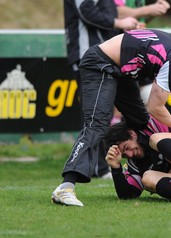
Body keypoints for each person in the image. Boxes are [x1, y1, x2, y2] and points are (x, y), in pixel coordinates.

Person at [51, 29, 171, 206]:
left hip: (120, 72)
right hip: (100, 65)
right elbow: (154, 108)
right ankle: (65, 187)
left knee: (142, 121)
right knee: (97, 124)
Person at [63, 0, 141, 179]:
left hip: (109, 59)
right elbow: (86, 11)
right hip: (89, 58)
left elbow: (108, 14)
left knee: (110, 115)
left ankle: (103, 165)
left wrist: (126, 29)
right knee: (95, 117)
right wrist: (119, 23)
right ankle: (96, 167)